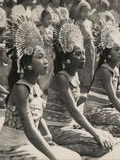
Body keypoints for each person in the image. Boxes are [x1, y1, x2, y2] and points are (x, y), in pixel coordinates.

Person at [0, 16, 81, 160]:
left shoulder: (36, 87)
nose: (46, 61)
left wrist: (48, 139)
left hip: (28, 144)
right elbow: (29, 130)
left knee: (74, 157)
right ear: (28, 65)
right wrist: (52, 156)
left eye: (45, 57)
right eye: (40, 57)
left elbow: (39, 118)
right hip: (11, 149)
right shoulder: (21, 89)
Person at [44, 19, 115, 157]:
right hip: (55, 128)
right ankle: (56, 147)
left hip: (68, 126)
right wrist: (94, 133)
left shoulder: (74, 75)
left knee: (109, 138)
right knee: (100, 145)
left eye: (83, 53)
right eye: (78, 54)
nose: (83, 57)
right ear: (66, 59)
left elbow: (74, 101)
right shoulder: (61, 78)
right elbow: (74, 110)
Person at [84, 21, 120, 137]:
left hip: (106, 108)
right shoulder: (105, 70)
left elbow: (118, 94)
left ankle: (96, 126)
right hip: (94, 110)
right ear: (108, 54)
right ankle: (94, 128)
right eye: (116, 50)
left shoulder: (115, 69)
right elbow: (114, 98)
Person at [76, 0, 96, 92]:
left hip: (90, 45)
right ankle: (82, 83)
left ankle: (89, 83)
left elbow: (91, 34)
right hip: (82, 44)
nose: (85, 13)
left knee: (90, 63)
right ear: (80, 12)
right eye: (83, 11)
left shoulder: (90, 23)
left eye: (87, 11)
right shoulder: (78, 22)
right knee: (82, 63)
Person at [38, 10, 55, 92]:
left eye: (51, 19)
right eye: (47, 18)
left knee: (50, 71)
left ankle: (48, 88)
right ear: (42, 19)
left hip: (51, 53)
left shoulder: (52, 30)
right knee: (43, 71)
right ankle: (41, 88)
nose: (49, 21)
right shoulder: (39, 30)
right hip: (43, 53)